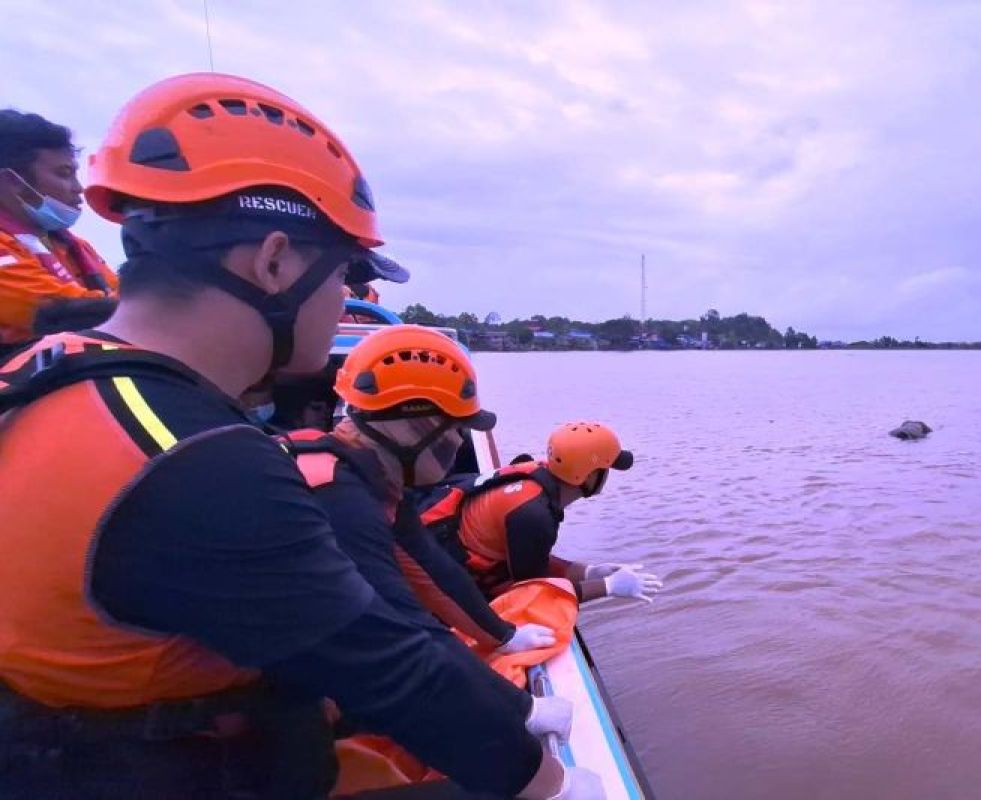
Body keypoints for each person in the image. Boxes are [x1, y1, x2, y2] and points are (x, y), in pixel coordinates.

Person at [0, 73, 597, 799]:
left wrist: (505, 699)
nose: (349, 297)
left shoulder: (52, 372)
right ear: (274, 261)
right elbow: (387, 666)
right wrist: (555, 784)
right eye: (345, 272)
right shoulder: (196, 461)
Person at [287, 323, 557, 654]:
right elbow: (396, 625)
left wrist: (503, 636)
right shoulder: (339, 501)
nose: (459, 442)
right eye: (456, 427)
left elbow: (433, 571)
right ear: (411, 428)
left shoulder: (371, 483)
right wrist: (517, 708)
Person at [424, 422, 664, 603]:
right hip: (439, 573)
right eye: (606, 468)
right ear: (590, 476)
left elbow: (531, 559)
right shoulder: (535, 516)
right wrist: (608, 587)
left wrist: (589, 571)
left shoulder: (536, 474)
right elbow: (534, 590)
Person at [0, 109, 118, 356]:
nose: (79, 188)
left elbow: (120, 294)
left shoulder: (72, 245)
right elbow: (57, 311)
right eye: (64, 174)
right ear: (12, 182)